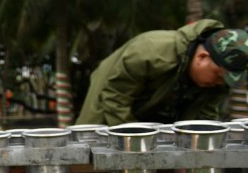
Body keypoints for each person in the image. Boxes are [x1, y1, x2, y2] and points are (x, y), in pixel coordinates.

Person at [76, 19, 248, 126]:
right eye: (219, 76)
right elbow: (115, 98)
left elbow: (205, 119)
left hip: (154, 117)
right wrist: (138, 144)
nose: (220, 83)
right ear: (202, 57)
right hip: (109, 103)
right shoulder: (151, 51)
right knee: (96, 166)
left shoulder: (216, 83)